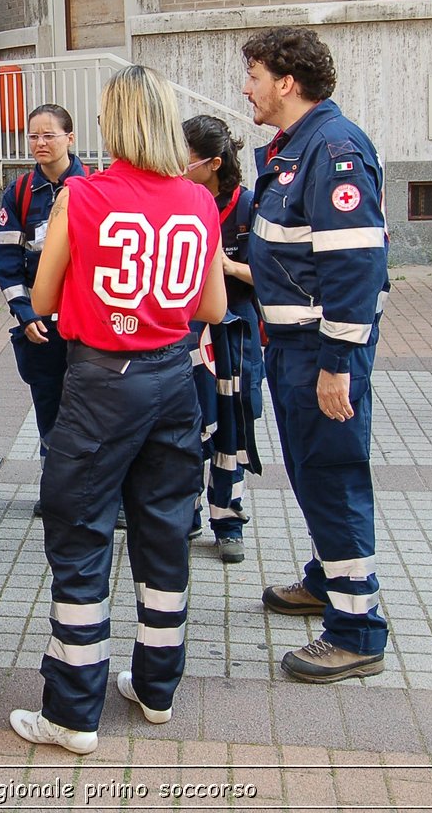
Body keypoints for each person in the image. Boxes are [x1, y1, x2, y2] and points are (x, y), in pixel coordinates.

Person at [9, 65, 227, 755]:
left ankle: (73, 713)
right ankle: (156, 689)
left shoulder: (82, 196)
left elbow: (41, 300)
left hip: (102, 382)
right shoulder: (199, 200)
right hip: (173, 379)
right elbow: (214, 309)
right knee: (164, 533)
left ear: (113, 122)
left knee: (80, 538)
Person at [241, 26, 390, 684]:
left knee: (333, 476)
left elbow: (356, 264)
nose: (247, 87)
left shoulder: (331, 150)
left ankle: (356, 630)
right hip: (295, 347)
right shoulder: (295, 148)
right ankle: (329, 580)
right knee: (311, 472)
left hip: (321, 353)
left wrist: (336, 364)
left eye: (254, 75)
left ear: (287, 81)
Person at [0, 104, 89, 520]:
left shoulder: (93, 188)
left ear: (70, 138)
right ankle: (55, 491)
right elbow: (7, 262)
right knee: (49, 406)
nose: (40, 143)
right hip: (41, 326)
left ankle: (99, 492)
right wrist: (25, 313)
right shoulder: (18, 194)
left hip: (86, 325)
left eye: (49, 135)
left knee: (91, 410)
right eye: (33, 136)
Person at [182, 114, 263, 563]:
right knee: (189, 425)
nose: (178, 165)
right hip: (190, 334)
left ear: (213, 163)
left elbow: (269, 275)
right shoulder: (179, 200)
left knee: (233, 424)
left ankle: (228, 520)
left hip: (236, 336)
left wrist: (224, 265)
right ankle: (188, 514)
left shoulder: (249, 206)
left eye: (186, 159)